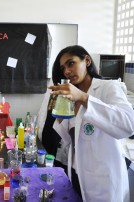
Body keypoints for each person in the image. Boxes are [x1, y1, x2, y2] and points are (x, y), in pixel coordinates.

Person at [48, 45, 134, 202]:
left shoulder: (108, 87)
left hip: (103, 181)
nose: (66, 71)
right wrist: (59, 114)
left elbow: (128, 124)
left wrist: (84, 98)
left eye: (71, 63)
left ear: (86, 60)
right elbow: (70, 141)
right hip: (76, 174)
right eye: (63, 68)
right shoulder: (73, 95)